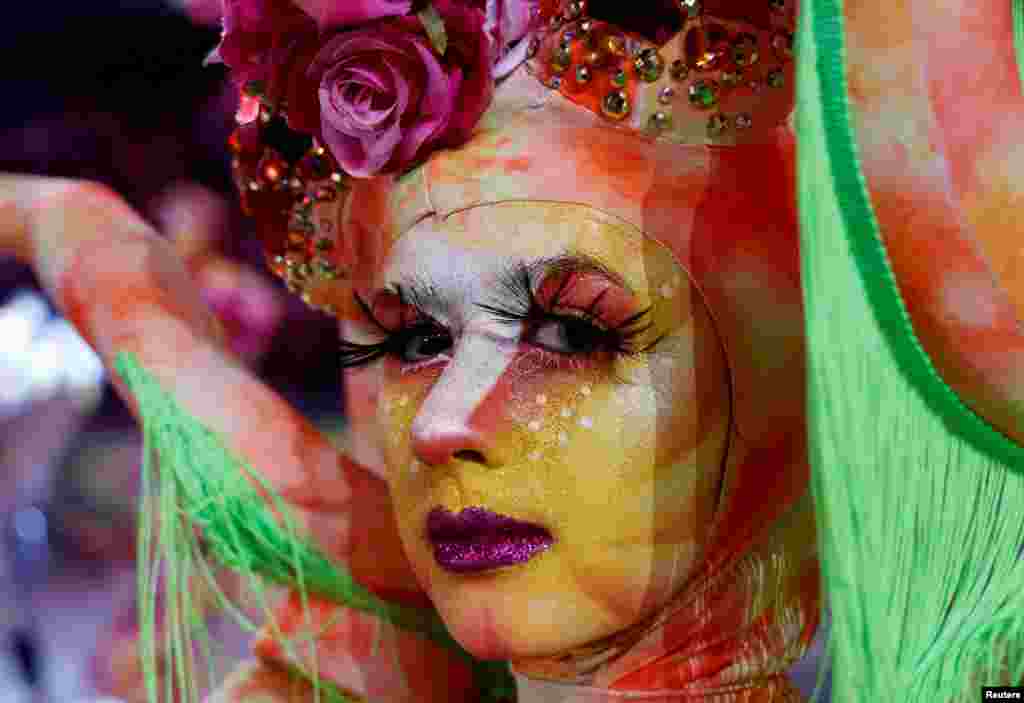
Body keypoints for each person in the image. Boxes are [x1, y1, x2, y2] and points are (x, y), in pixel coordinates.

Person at [2, 1, 1024, 701]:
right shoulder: (385, 628)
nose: (446, 421)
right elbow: (92, 240)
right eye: (416, 339)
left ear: (787, 377)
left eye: (573, 335)